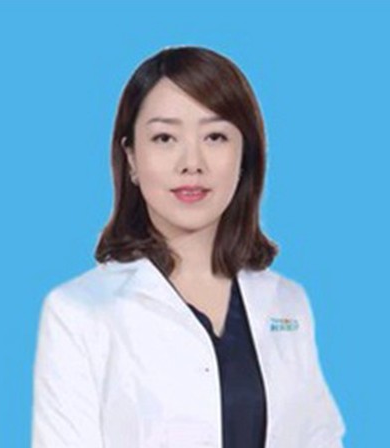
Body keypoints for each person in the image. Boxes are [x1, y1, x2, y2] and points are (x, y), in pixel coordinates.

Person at [31, 45, 346, 448]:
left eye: (215, 136)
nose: (191, 162)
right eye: (165, 137)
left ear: (245, 156)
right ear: (131, 158)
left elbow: (319, 437)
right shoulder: (77, 312)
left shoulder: (288, 303)